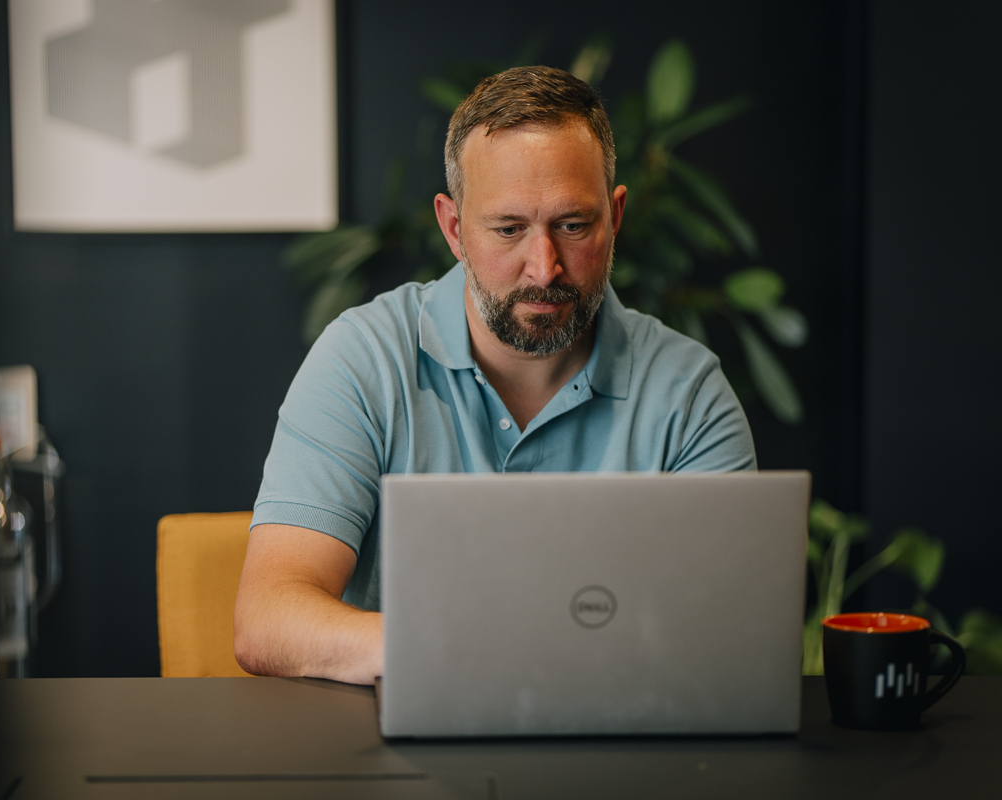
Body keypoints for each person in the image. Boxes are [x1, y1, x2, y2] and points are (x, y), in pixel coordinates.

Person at [233, 65, 756, 685]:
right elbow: (268, 618)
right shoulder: (363, 358)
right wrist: (475, 653)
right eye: (509, 229)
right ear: (454, 229)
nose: (545, 267)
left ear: (615, 217)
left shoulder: (688, 393)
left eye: (573, 225)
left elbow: (736, 633)